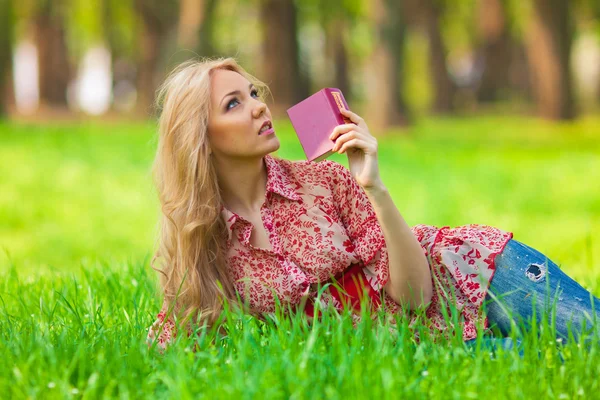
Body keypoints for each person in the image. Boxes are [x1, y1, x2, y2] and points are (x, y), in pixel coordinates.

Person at [146, 57, 600, 352]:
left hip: (470, 275)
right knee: (562, 363)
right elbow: (168, 342)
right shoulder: (209, 242)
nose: (260, 108)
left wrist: (374, 185)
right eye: (234, 103)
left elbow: (417, 298)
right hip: (430, 349)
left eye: (254, 94)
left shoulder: (324, 180)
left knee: (591, 339)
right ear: (200, 139)